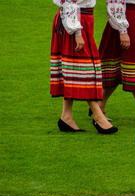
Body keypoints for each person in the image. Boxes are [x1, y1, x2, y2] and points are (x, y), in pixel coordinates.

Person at [51, 0, 118, 134]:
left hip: (81, 20)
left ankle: (66, 116)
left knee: (73, 70)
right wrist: (77, 32)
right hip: (75, 21)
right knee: (86, 71)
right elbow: (69, 2)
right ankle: (98, 116)